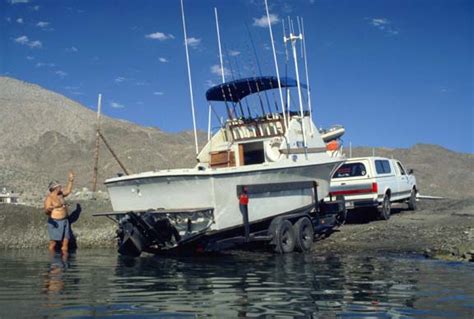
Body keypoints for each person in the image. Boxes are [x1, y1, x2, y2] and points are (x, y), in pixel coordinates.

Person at [43, 171, 75, 254]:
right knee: (53, 243)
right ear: (55, 188)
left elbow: (68, 191)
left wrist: (70, 181)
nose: (61, 187)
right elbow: (46, 211)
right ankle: (53, 261)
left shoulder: (60, 194)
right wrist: (49, 209)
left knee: (65, 242)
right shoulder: (49, 198)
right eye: (59, 186)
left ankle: (65, 263)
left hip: (65, 221)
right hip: (55, 222)